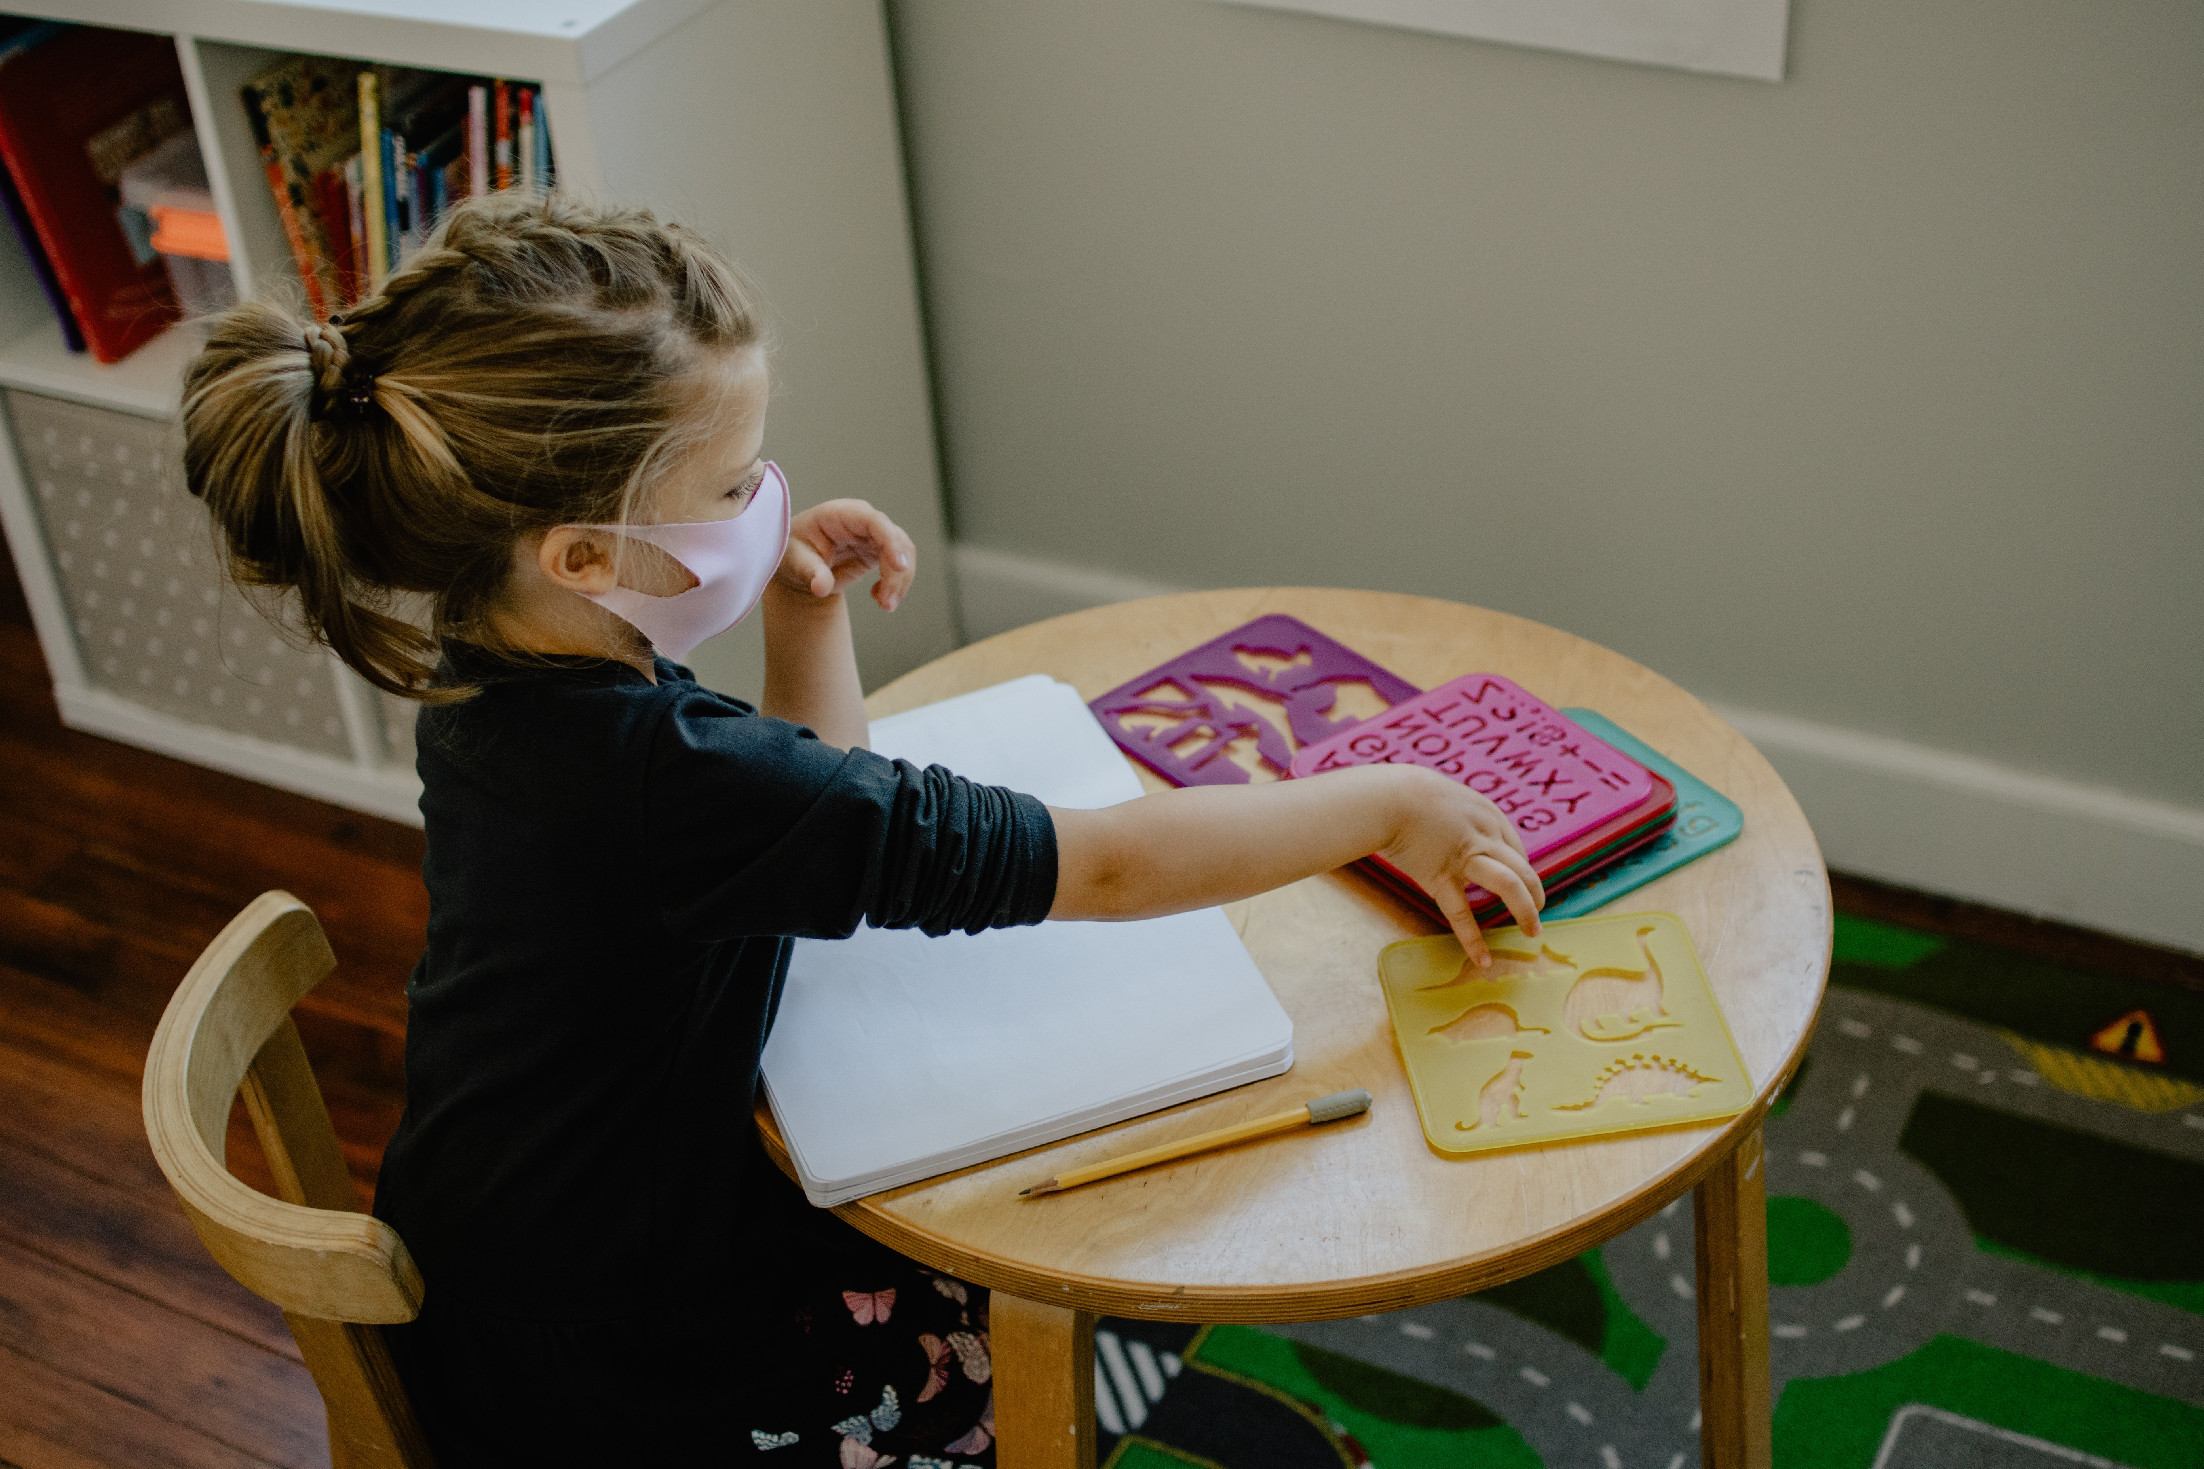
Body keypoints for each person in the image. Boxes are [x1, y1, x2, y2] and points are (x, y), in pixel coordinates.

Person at [180, 191, 1543, 1466]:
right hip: (626, 1379)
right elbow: (1112, 864)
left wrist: (799, 607)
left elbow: (802, 814)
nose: (762, 502)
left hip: (524, 1267)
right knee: (1042, 1302)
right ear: (585, 558)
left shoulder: (500, 675)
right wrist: (1389, 803)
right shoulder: (660, 774)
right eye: (729, 490)